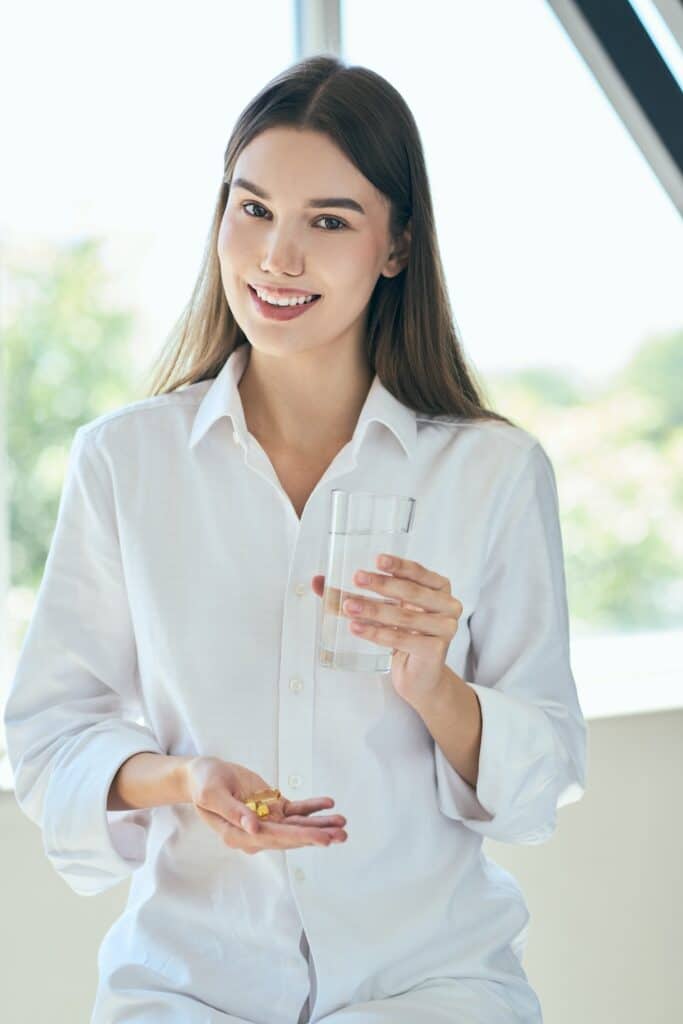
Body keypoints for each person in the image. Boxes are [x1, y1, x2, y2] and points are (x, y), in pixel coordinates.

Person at [3, 55, 587, 1023]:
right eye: (251, 208)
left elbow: (539, 778)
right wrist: (182, 779)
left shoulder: (490, 472)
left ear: (395, 244)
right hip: (187, 983)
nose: (276, 256)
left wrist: (432, 681)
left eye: (327, 220)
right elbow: (52, 734)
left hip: (427, 980)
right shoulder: (124, 461)